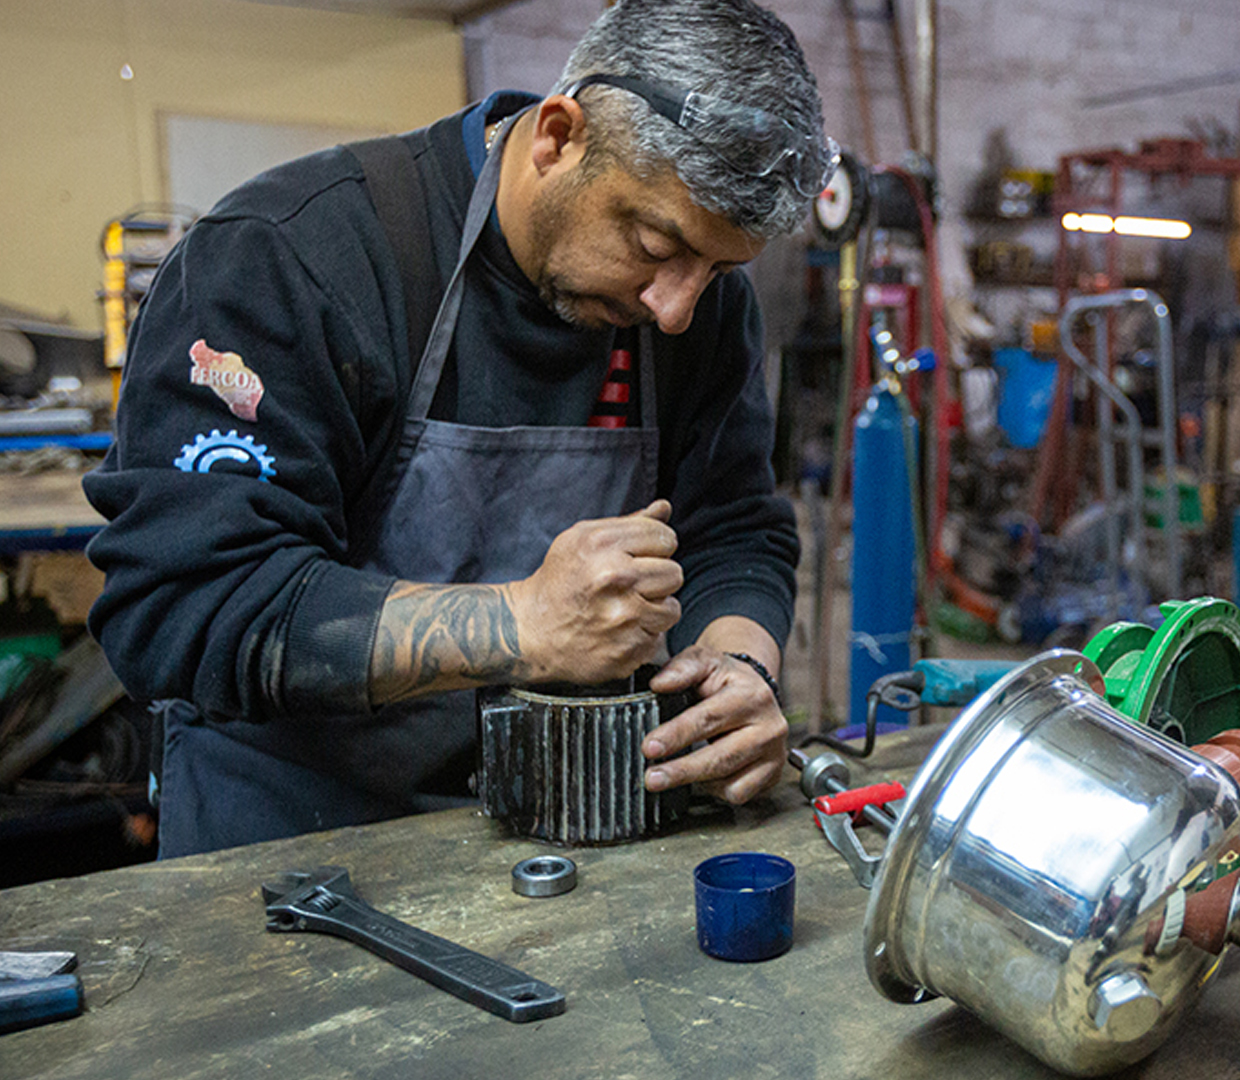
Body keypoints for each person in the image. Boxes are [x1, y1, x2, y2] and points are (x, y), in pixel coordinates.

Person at [82, 0, 831, 857]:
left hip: (560, 830)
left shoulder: (702, 309)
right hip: (289, 845)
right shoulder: (292, 259)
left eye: (719, 267)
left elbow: (729, 525)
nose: (676, 307)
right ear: (557, 136)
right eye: (654, 244)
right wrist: (523, 623)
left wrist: (740, 665)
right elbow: (184, 604)